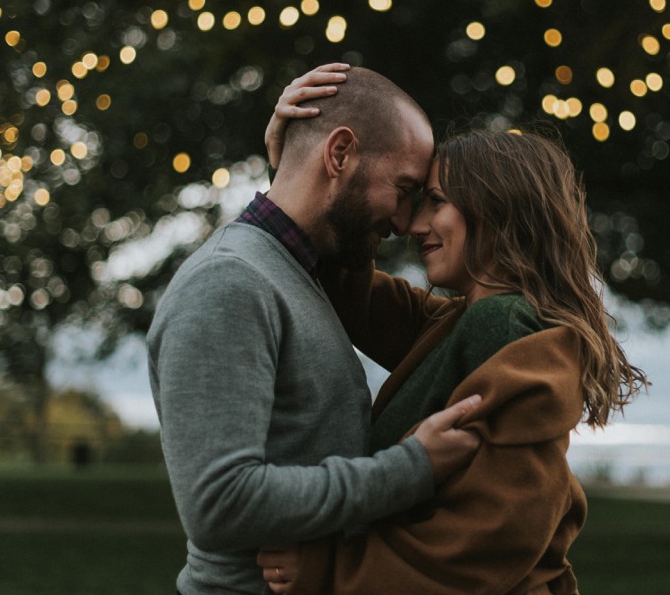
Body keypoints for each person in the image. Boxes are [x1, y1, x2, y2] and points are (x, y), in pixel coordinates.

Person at [258, 67, 647, 594]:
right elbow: (350, 285)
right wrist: (301, 167)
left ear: (495, 209)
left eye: (434, 201)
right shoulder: (461, 322)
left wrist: (330, 572)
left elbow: (490, 541)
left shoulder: (509, 329)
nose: (413, 225)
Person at [147, 65, 484, 595]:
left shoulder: (304, 271)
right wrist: (412, 467)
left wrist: (287, 163)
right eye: (403, 189)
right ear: (340, 153)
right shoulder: (228, 283)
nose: (404, 222)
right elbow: (220, 505)